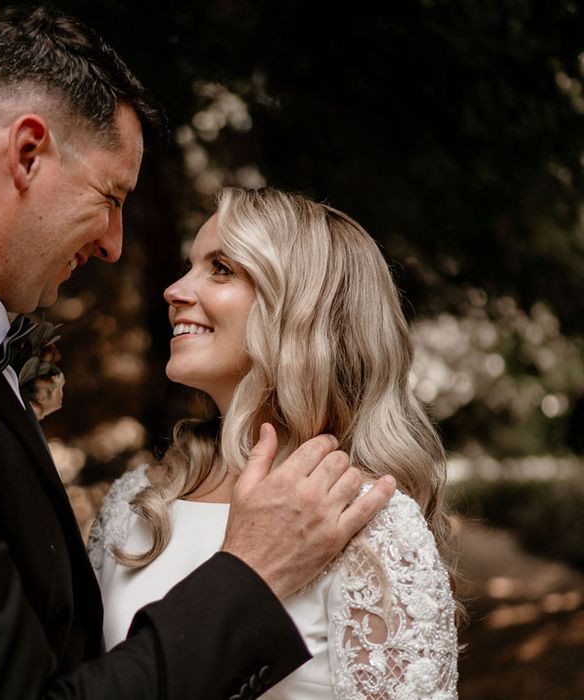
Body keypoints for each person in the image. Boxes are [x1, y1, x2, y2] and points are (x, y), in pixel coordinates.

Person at [0, 7, 396, 699]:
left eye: (223, 269)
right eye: (111, 196)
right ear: (27, 154)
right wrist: (252, 573)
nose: (116, 245)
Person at [90, 187, 460, 699]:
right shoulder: (135, 503)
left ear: (300, 307)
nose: (174, 290)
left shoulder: (366, 520)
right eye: (190, 266)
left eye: (220, 268)